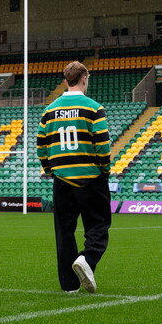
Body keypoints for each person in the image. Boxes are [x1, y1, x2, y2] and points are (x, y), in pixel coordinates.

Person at [36, 61, 111, 293]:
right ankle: (87, 259)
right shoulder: (93, 108)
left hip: (62, 181)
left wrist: (51, 171)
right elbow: (103, 145)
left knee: (64, 232)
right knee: (98, 225)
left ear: (66, 80)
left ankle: (69, 286)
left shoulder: (49, 111)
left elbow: (41, 146)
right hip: (90, 178)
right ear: (84, 79)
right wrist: (104, 170)